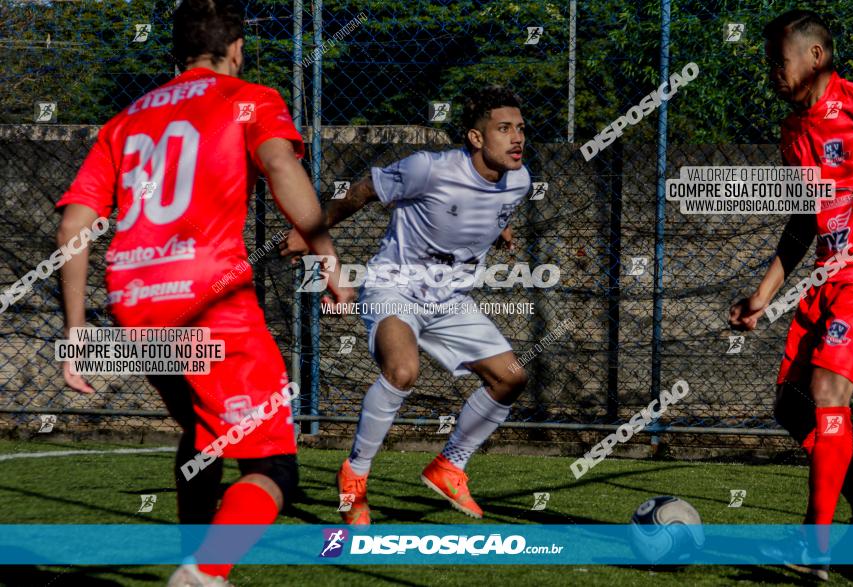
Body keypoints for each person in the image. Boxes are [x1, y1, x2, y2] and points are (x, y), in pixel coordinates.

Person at [55, 1, 352, 585]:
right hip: (210, 302)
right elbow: (279, 165)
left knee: (202, 438)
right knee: (273, 467)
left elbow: (72, 227)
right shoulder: (250, 97)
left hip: (137, 305)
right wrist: (326, 253)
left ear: (176, 50)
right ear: (236, 47)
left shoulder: (126, 119)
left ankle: (198, 563)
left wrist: (75, 332)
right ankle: (202, 572)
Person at [284, 85, 531, 524]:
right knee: (402, 371)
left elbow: (487, 212)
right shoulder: (428, 169)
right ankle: (354, 476)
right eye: (504, 129)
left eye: (521, 129)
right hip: (394, 287)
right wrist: (312, 231)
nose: (517, 138)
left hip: (450, 298)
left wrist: (501, 231)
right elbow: (361, 192)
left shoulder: (520, 182)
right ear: (476, 138)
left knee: (511, 377)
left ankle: (449, 465)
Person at [729, 8, 853, 580]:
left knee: (827, 390)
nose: (772, 71)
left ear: (815, 57)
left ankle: (815, 545)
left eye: (779, 59)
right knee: (792, 408)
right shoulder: (794, 132)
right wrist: (765, 293)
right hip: (824, 280)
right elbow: (803, 220)